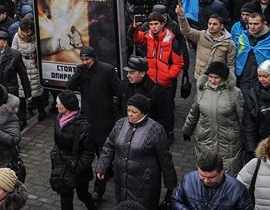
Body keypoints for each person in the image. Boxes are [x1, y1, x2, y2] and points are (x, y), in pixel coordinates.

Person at [96, 94, 177, 210]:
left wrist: (170, 185)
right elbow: (109, 145)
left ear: (143, 112)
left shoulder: (156, 129)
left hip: (144, 185)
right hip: (122, 181)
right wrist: (102, 166)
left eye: (134, 112)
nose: (129, 114)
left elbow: (165, 159)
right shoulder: (120, 124)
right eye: (128, 110)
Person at [67, 46, 120, 203]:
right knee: (90, 154)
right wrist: (78, 74)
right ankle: (101, 176)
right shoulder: (81, 71)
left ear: (94, 58)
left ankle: (98, 191)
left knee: (103, 157)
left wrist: (117, 115)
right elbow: (69, 89)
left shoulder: (108, 70)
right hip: (87, 120)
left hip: (104, 120)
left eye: (87, 60)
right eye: (82, 60)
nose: (85, 62)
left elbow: (118, 92)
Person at [182, 61, 246, 174]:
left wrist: (247, 140)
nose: (212, 80)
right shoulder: (202, 90)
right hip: (205, 140)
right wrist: (187, 130)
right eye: (210, 77)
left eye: (216, 77)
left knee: (227, 176)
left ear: (224, 78)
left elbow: (243, 119)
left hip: (228, 144)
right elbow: (194, 112)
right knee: (207, 174)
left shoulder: (235, 93)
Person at [50, 90, 97, 210]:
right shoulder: (59, 118)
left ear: (67, 106)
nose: (56, 106)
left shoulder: (84, 126)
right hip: (62, 168)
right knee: (65, 201)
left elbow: (88, 154)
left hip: (78, 171)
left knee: (83, 195)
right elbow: (57, 143)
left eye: (58, 103)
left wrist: (76, 169)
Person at [170, 151, 252, 210]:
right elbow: (176, 200)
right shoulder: (188, 179)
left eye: (211, 177)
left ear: (222, 171)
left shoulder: (238, 189)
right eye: (202, 175)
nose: (206, 180)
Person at [176, 5, 236, 83]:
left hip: (218, 80)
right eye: (209, 23)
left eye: (215, 24)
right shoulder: (201, 35)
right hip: (200, 78)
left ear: (221, 26)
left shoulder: (229, 43)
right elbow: (186, 31)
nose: (211, 26)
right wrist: (182, 17)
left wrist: (230, 82)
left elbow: (230, 65)